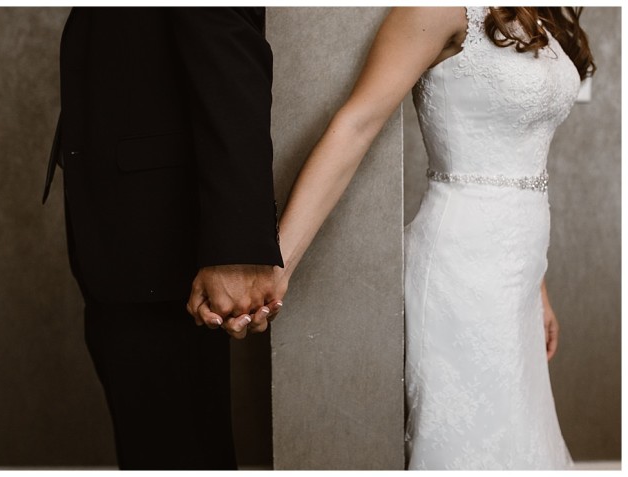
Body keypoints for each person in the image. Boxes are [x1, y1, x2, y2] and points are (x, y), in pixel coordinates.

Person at [215, 7, 590, 470]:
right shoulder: (435, 9)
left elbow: (520, 165)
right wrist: (276, 264)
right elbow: (357, 125)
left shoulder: (537, 13)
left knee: (520, 433)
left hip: (520, 270)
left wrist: (539, 290)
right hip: (461, 265)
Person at [42, 7, 284, 470]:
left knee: (180, 453)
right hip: (125, 240)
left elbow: (229, 57)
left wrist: (236, 248)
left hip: (168, 247)